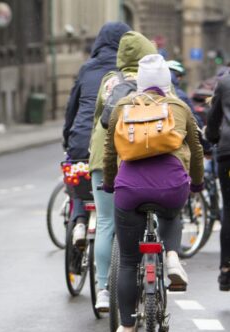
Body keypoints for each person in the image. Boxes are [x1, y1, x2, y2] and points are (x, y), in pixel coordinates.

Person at [103, 54, 204, 332]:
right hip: (171, 186)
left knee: (130, 261)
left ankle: (128, 330)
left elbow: (110, 152)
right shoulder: (179, 107)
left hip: (130, 190)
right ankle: (172, 256)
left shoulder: (123, 107)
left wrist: (110, 184)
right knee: (173, 213)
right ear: (167, 83)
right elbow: (196, 151)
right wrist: (195, 183)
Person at [61, 22, 130, 309]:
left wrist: (68, 138)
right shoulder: (126, 73)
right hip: (117, 147)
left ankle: (78, 221)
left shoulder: (87, 69)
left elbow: (72, 108)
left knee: (78, 183)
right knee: (110, 214)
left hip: (80, 144)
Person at [88, 30, 157, 310]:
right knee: (147, 216)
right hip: (141, 158)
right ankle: (151, 273)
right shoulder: (154, 81)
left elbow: (97, 120)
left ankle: (103, 288)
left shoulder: (109, 81)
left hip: (103, 156)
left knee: (105, 222)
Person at [205, 62, 230, 291]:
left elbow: (213, 119)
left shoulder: (224, 81)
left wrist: (211, 139)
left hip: (228, 155)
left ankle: (226, 270)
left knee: (229, 210)